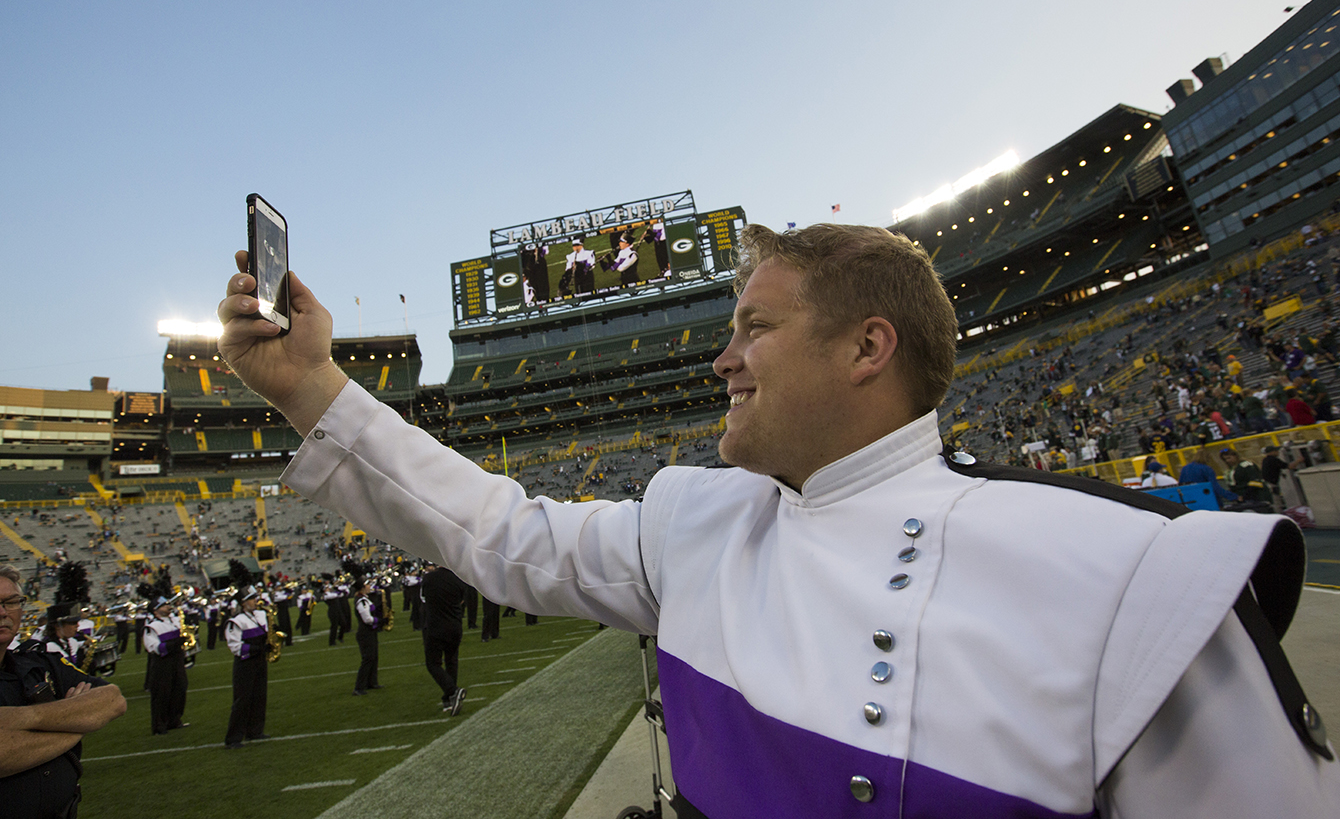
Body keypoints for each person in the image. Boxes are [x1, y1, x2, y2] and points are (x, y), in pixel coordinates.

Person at [218, 225, 1339, 816]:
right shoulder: (691, 517)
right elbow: (500, 533)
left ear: (866, 347)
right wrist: (311, 388)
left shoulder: (1132, 571)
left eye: (753, 325)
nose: (720, 356)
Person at [1, 564, 126, 819]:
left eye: (11, 602)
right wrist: (72, 720)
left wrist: (25, 718)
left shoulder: (37, 662)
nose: (2, 612)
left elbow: (113, 700)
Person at [223, 585, 271, 749]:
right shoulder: (236, 622)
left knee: (259, 696)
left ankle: (255, 731)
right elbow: (235, 647)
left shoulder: (261, 615)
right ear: (243, 603)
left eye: (255, 598)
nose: (255, 601)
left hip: (260, 661)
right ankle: (233, 738)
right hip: (245, 663)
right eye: (251, 599)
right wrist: (257, 649)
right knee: (242, 700)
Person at [420, 562, 467, 714]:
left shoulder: (429, 578)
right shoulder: (458, 578)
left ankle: (452, 691)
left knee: (432, 663)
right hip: (455, 625)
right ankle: (449, 700)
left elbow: (424, 599)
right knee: (451, 661)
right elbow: (461, 600)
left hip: (436, 626)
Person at [142, 597, 189, 735]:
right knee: (162, 693)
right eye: (164, 606)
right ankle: (159, 725)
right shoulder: (152, 626)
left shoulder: (174, 621)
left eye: (168, 604)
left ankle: (174, 720)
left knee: (180, 688)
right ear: (156, 611)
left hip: (177, 659)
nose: (168, 607)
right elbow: (154, 647)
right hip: (163, 662)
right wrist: (174, 644)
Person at [351, 579, 381, 695]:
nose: (370, 587)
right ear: (363, 588)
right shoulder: (361, 601)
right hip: (365, 633)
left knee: (374, 657)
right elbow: (367, 619)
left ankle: (372, 682)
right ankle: (358, 687)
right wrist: (379, 620)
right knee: (368, 659)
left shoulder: (365, 599)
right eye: (367, 585)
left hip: (370, 632)